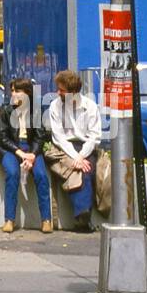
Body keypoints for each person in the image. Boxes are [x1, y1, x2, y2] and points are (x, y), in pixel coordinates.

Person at [45, 69, 101, 232]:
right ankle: (82, 214)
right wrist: (76, 158)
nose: (57, 93)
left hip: (85, 147)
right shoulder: (55, 106)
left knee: (88, 171)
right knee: (75, 170)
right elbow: (59, 137)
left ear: (73, 92)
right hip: (64, 148)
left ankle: (82, 215)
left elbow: (94, 136)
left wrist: (81, 156)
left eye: (61, 90)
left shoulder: (90, 106)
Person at [0, 78, 52, 234]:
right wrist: (20, 153)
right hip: (11, 149)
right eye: (12, 90)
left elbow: (40, 136)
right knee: (12, 174)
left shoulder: (36, 110)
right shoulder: (5, 109)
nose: (13, 94)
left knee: (41, 175)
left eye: (17, 91)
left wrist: (32, 155)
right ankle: (9, 220)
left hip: (31, 149)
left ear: (27, 93)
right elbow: (3, 138)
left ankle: (46, 220)